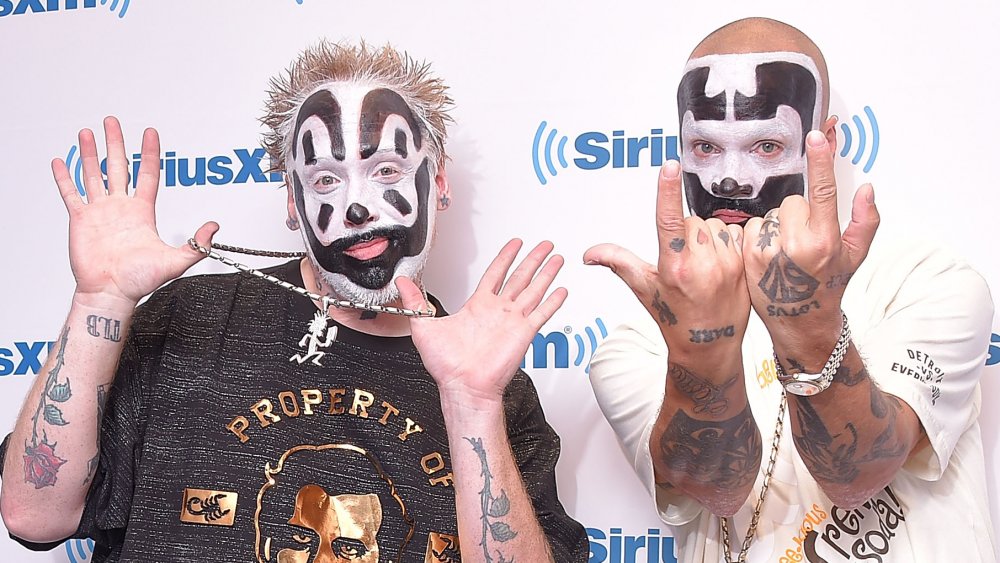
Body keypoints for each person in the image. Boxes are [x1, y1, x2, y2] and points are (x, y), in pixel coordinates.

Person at [0, 41, 589, 562]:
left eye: (386, 168)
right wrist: (99, 301)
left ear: (437, 182)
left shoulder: (492, 384)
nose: (358, 207)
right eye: (326, 179)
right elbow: (34, 515)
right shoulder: (191, 319)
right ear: (291, 199)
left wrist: (472, 403)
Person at [586, 17, 995, 563]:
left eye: (766, 144)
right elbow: (718, 491)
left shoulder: (928, 281)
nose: (731, 179)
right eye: (705, 146)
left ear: (824, 140)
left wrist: (808, 323)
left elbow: (859, 475)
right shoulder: (639, 339)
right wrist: (702, 347)